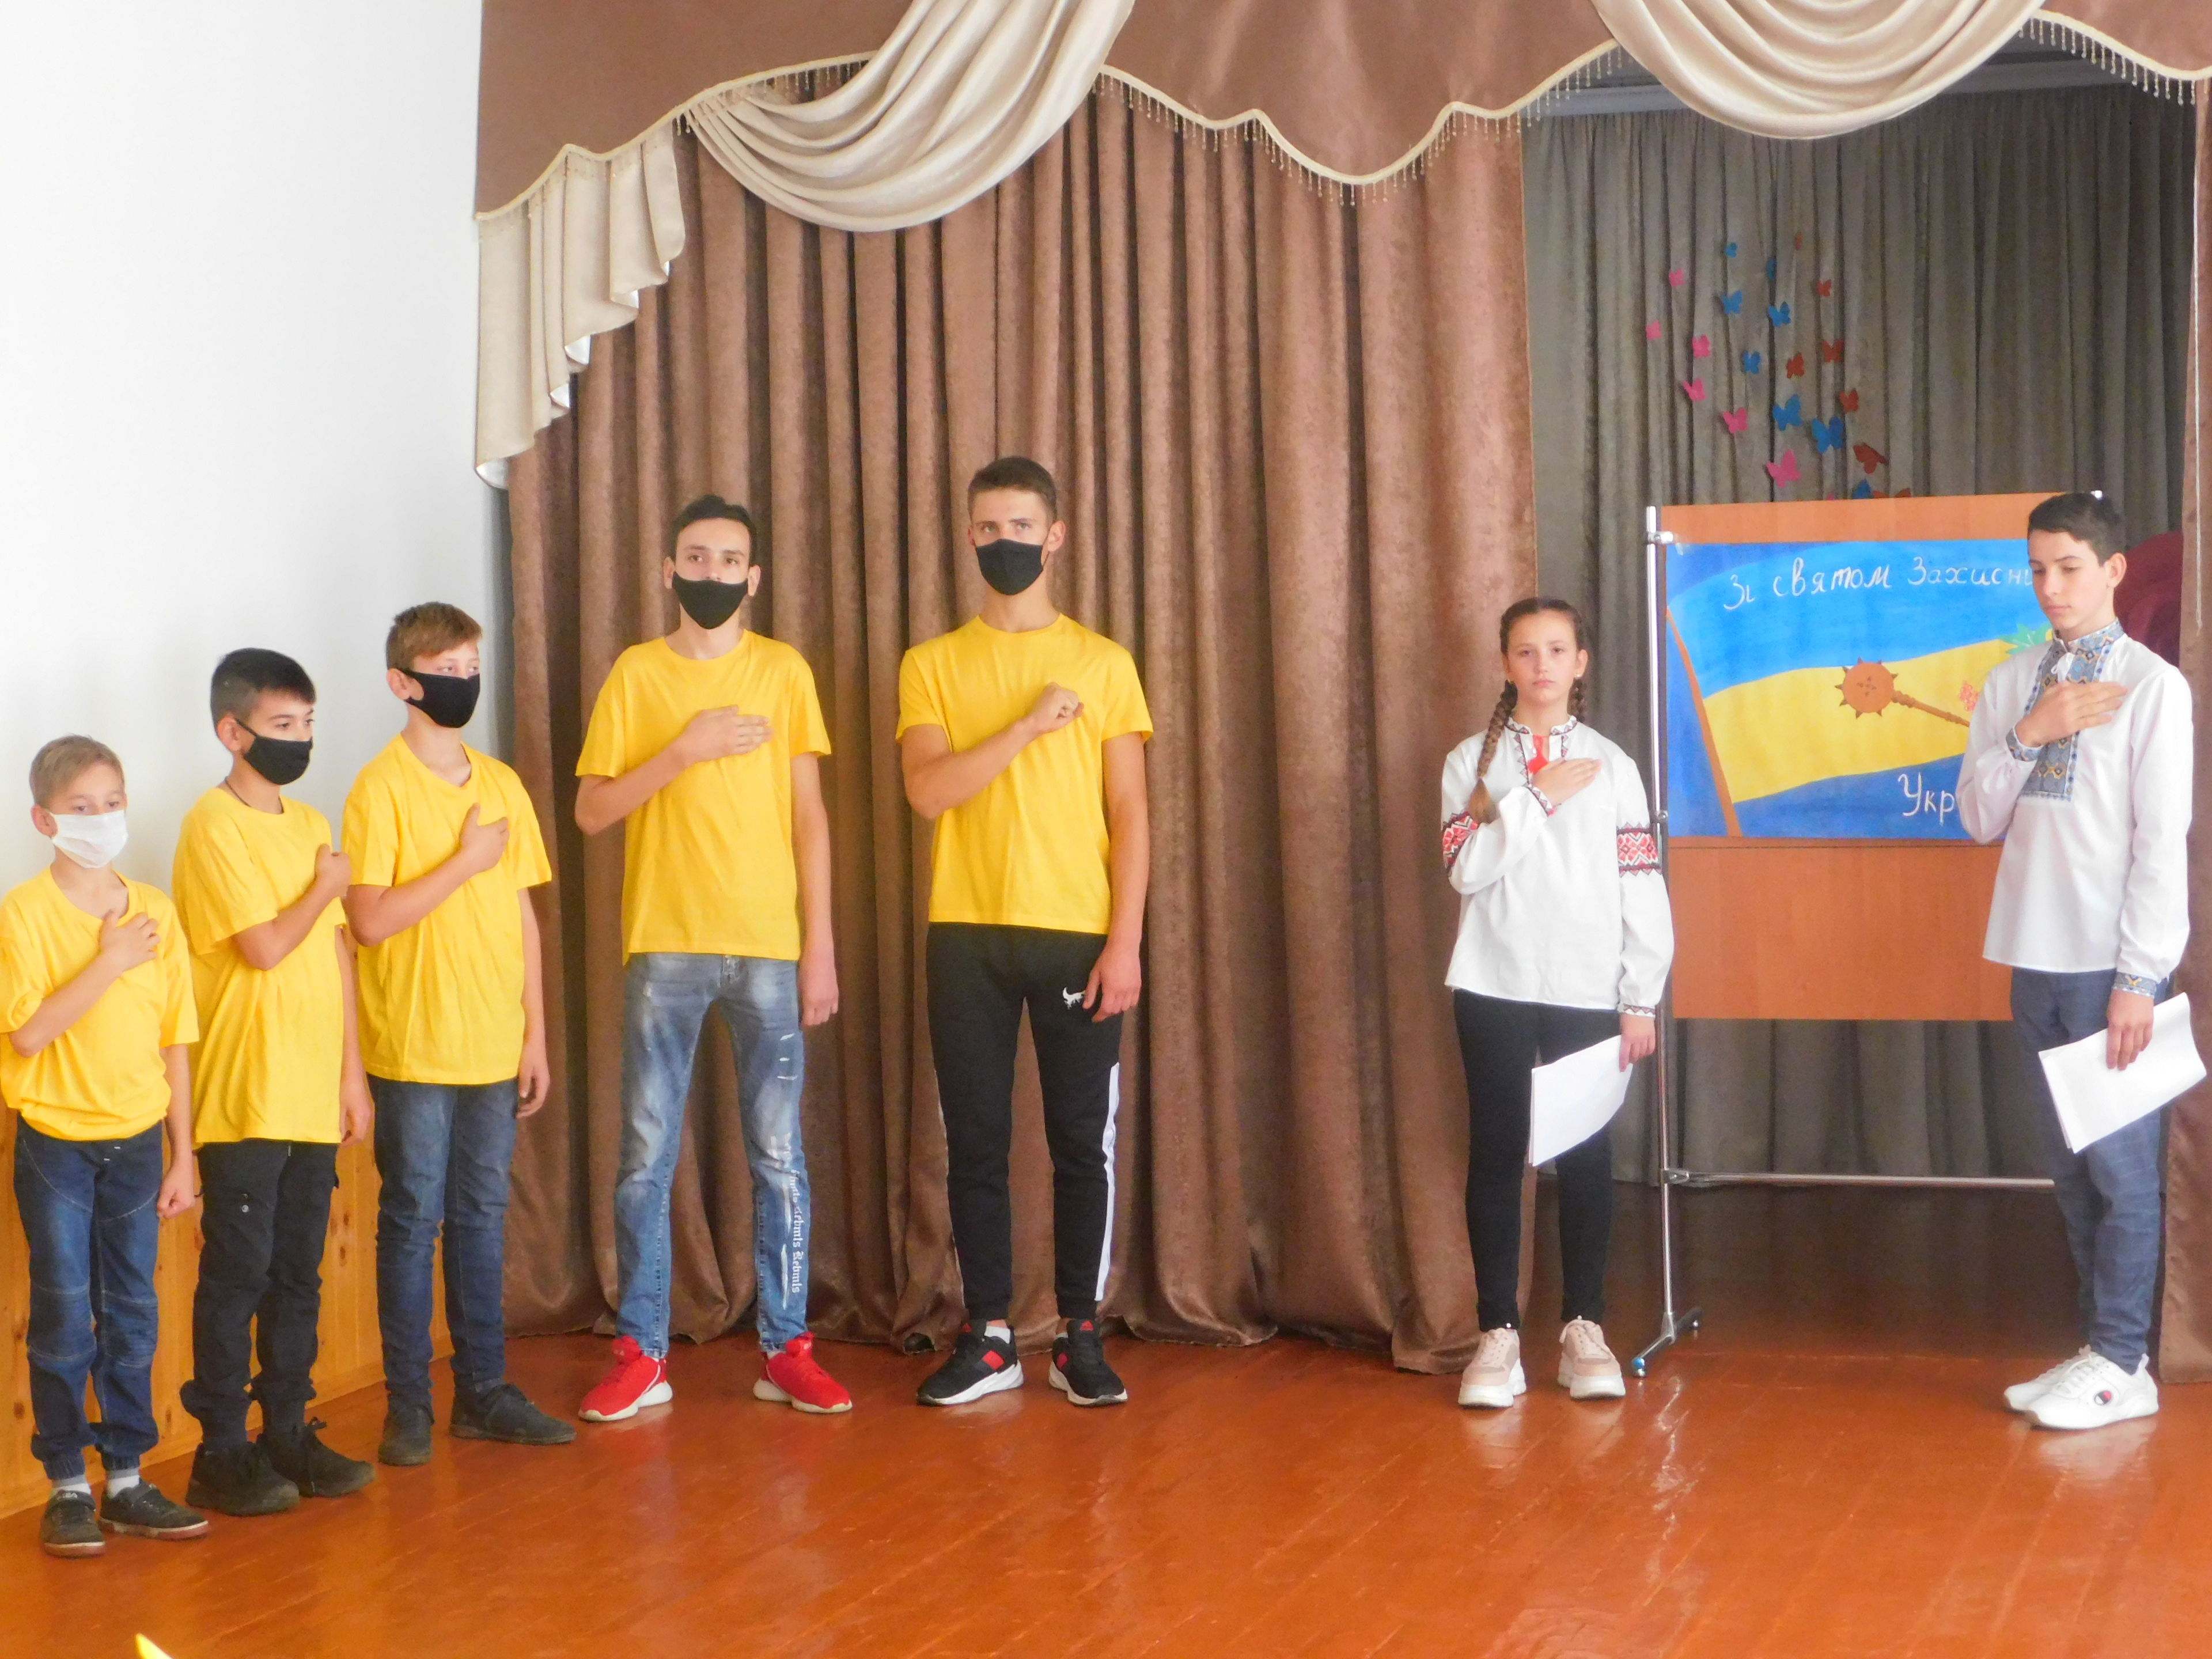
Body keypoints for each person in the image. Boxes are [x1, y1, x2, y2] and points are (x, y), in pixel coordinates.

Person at [573, 495, 850, 1422]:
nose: (713, 572)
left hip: (769, 948)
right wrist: (682, 751)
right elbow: (593, 810)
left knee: (780, 1159)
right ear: (669, 569)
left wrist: (820, 947)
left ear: (753, 576)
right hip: (665, 945)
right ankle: (642, 1354)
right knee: (645, 1158)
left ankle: (788, 1350)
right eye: (696, 556)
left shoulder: (783, 671)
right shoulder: (636, 673)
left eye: (730, 559)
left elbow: (810, 819)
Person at [897, 455, 1152, 1408]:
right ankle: (991, 1336)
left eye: (1020, 527)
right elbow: (931, 792)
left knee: (1082, 1144)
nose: (1003, 542)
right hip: (966, 933)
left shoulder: (1104, 663)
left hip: (1077, 932)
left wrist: (1124, 941)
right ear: (969, 536)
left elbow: (1131, 812)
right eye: (987, 527)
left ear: (1056, 537)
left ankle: (1080, 1336)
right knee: (974, 1143)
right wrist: (1025, 727)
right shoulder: (931, 664)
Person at [1959, 490, 2192, 1433]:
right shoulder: (2012, 683)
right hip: (2034, 955)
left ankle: (2125, 1361)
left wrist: (2140, 978)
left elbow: (2160, 845)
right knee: (2068, 1168)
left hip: (2111, 967)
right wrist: (2035, 729)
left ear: (2112, 571)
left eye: (2069, 567)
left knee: (2124, 1172)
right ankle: (2098, 1348)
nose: (2052, 586)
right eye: (2038, 570)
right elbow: (1978, 818)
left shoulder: (2153, 687)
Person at [342, 603, 574, 1464]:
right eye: (447, 670)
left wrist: (535, 1035)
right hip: (413, 1045)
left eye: (473, 667)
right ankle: (408, 1405)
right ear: (403, 683)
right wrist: (464, 861)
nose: (465, 683)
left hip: (492, 1042)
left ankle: (484, 1392)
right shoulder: (378, 789)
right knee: (412, 1220)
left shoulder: (502, 783)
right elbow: (370, 921)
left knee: (482, 1218)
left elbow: (523, 918)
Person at [1439, 598, 1673, 1410]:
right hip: (1493, 984)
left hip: (1588, 989)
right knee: (1498, 1151)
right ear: (1506, 663)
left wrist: (1641, 996)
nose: (1542, 664)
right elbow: (1465, 870)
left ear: (1581, 662)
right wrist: (1534, 798)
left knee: (1586, 1155)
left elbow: (1641, 882)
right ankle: (1498, 1335)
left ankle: (1583, 1327)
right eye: (1526, 651)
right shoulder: (1469, 763)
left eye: (1557, 650)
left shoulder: (1614, 765)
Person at [173, 649, 375, 1517]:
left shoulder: (310, 822)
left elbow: (335, 957)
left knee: (299, 1274)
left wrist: (352, 1075)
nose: (301, 738)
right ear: (234, 731)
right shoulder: (211, 826)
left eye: (308, 723)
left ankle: (287, 1432)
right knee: (238, 1276)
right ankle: (221, 1450)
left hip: (310, 1092)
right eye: (283, 725)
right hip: (245, 1090)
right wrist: (328, 883)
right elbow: (262, 947)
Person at [2, 737, 208, 1556]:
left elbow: (175, 1040)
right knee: (64, 1315)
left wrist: (184, 1153)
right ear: (44, 819)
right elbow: (28, 1034)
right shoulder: (23, 914)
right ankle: (66, 1486)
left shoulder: (156, 911)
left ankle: (126, 1479)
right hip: (57, 1142)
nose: (101, 819)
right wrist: (111, 959)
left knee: (133, 1313)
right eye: (81, 808)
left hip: (137, 1143)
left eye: (112, 803)